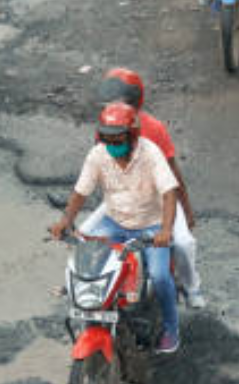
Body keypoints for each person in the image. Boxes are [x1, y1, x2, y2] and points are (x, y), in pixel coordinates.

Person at [49, 102, 183, 353]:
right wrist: (65, 221)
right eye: (107, 138)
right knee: (87, 261)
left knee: (160, 276)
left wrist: (165, 229)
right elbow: (80, 193)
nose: (113, 144)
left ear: (132, 136)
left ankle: (171, 329)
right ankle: (94, 319)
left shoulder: (150, 153)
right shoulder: (98, 154)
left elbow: (169, 193)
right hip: (114, 221)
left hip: (150, 224)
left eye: (118, 138)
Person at [79, 68, 204, 309]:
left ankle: (191, 287)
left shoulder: (155, 128)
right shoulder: (105, 128)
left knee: (183, 244)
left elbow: (173, 173)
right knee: (84, 235)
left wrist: (186, 211)